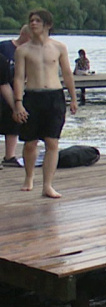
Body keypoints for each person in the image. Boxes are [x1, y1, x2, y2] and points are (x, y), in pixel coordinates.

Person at [12, 10, 78, 198]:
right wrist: (18, 103)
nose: (33, 24)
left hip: (54, 96)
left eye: (38, 21)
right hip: (32, 95)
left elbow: (66, 73)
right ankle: (29, 176)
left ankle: (47, 185)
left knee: (52, 142)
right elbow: (18, 78)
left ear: (47, 25)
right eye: (31, 20)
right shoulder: (22, 50)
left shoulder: (58, 47)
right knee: (30, 142)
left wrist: (73, 98)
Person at [1, 25, 31, 168]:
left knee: (13, 121)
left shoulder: (29, 52)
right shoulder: (5, 47)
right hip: (4, 87)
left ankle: (10, 156)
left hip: (15, 89)